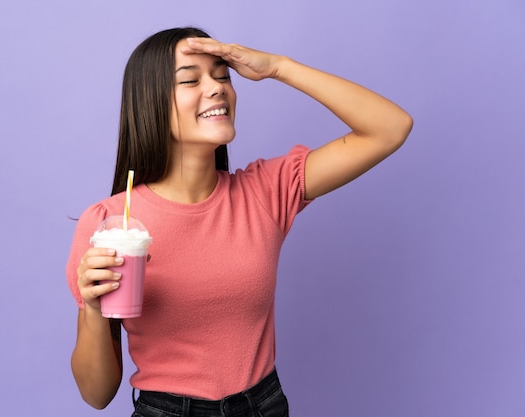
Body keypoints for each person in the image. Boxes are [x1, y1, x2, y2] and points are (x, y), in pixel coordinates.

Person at [66, 26, 413, 416]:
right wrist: (95, 309)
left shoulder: (266, 192)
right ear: (150, 103)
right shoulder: (110, 224)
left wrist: (278, 67)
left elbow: (389, 128)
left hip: (264, 407)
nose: (217, 88)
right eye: (190, 80)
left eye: (222, 75)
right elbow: (97, 394)